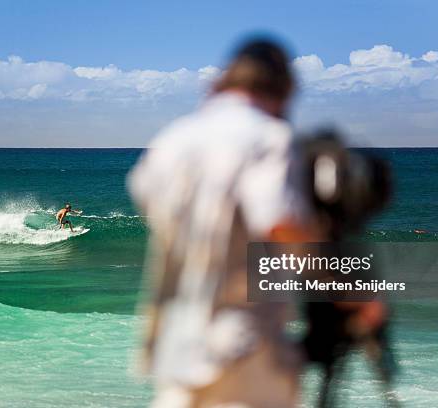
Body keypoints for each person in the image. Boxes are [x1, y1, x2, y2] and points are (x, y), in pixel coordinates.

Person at [128, 38, 310, 407]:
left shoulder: (173, 138)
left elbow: (142, 192)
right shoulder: (268, 137)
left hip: (176, 344)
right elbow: (278, 222)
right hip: (241, 344)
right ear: (283, 90)